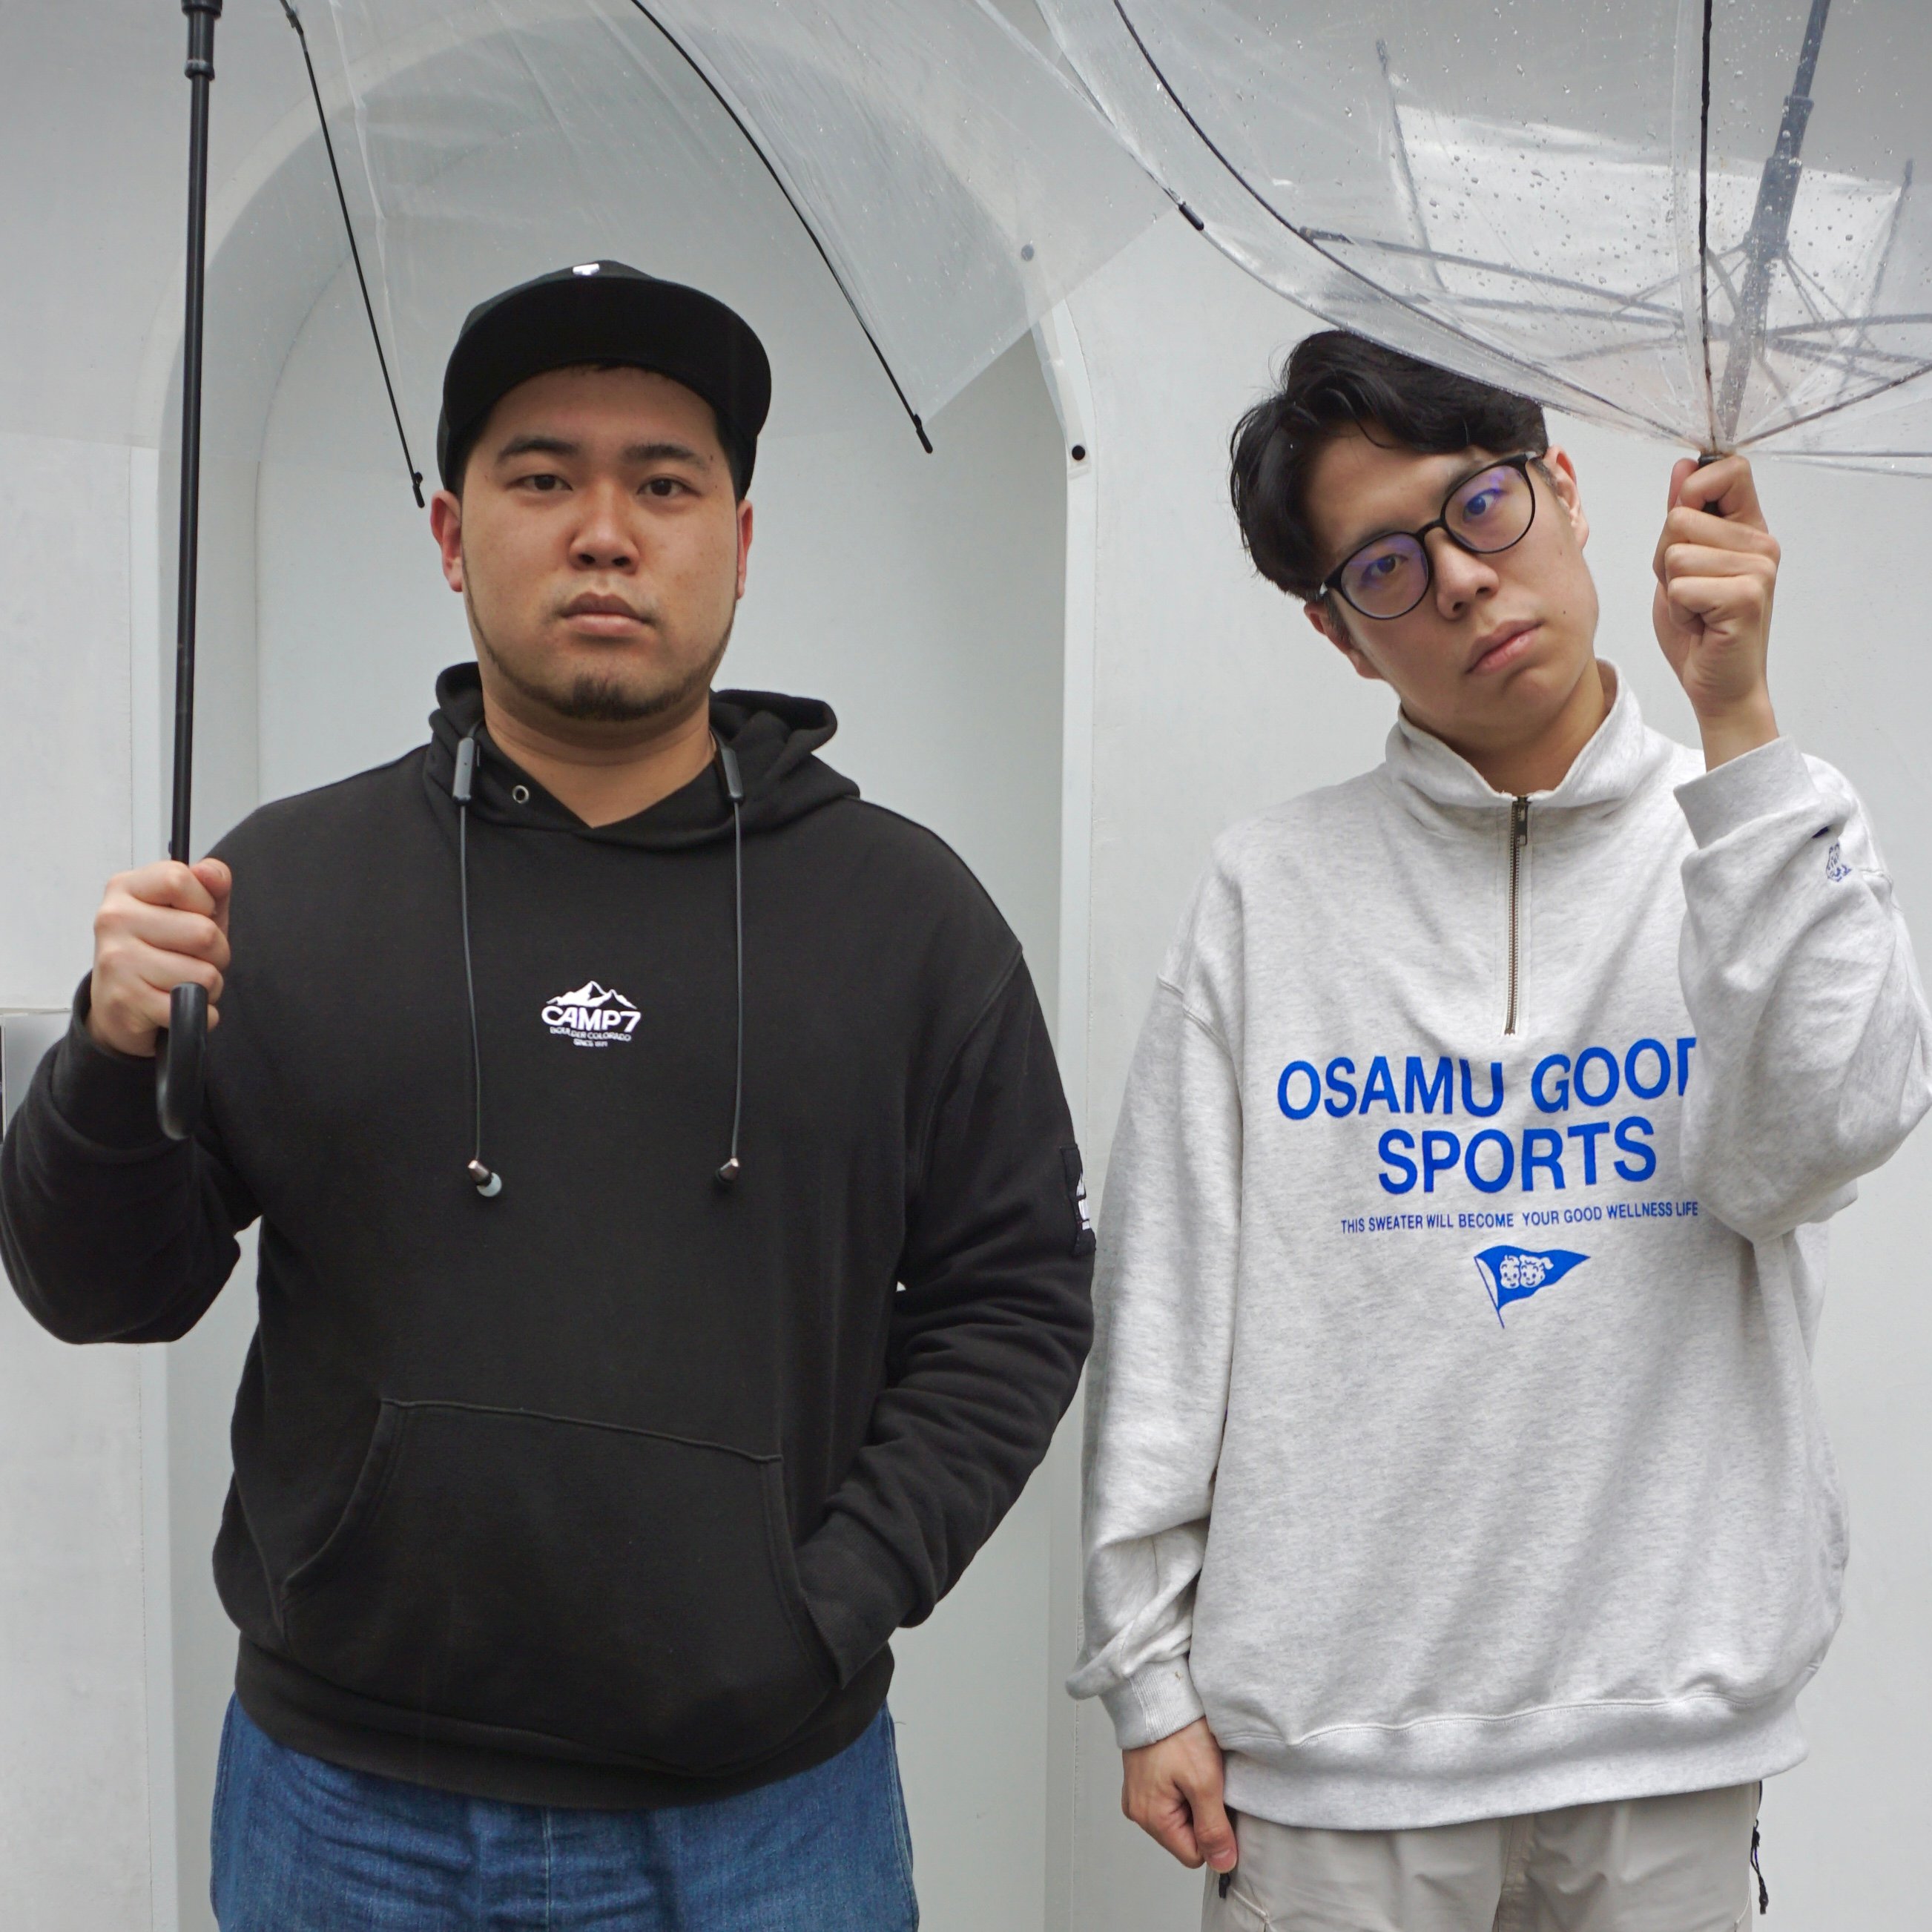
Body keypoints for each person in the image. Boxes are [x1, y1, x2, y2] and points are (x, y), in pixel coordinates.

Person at [0, 261, 1095, 1931]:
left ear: (740, 537)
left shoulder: (907, 917)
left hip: (766, 1819)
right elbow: (101, 1289)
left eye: (663, 483)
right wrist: (110, 1050)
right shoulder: (276, 887)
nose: (603, 532)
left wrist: (839, 1593)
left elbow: (1014, 1296)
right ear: (452, 536)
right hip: (343, 1811)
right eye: (540, 478)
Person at [1069, 331, 1932, 1931]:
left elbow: (1810, 1149)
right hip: (1336, 1759)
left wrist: (1738, 721)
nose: (1461, 579)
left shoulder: (1760, 825)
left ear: (1566, 493)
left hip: (1665, 1733)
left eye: (1480, 506)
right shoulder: (1269, 890)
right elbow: (1166, 1292)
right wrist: (1143, 1666)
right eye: (1384, 566)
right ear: (1337, 633)